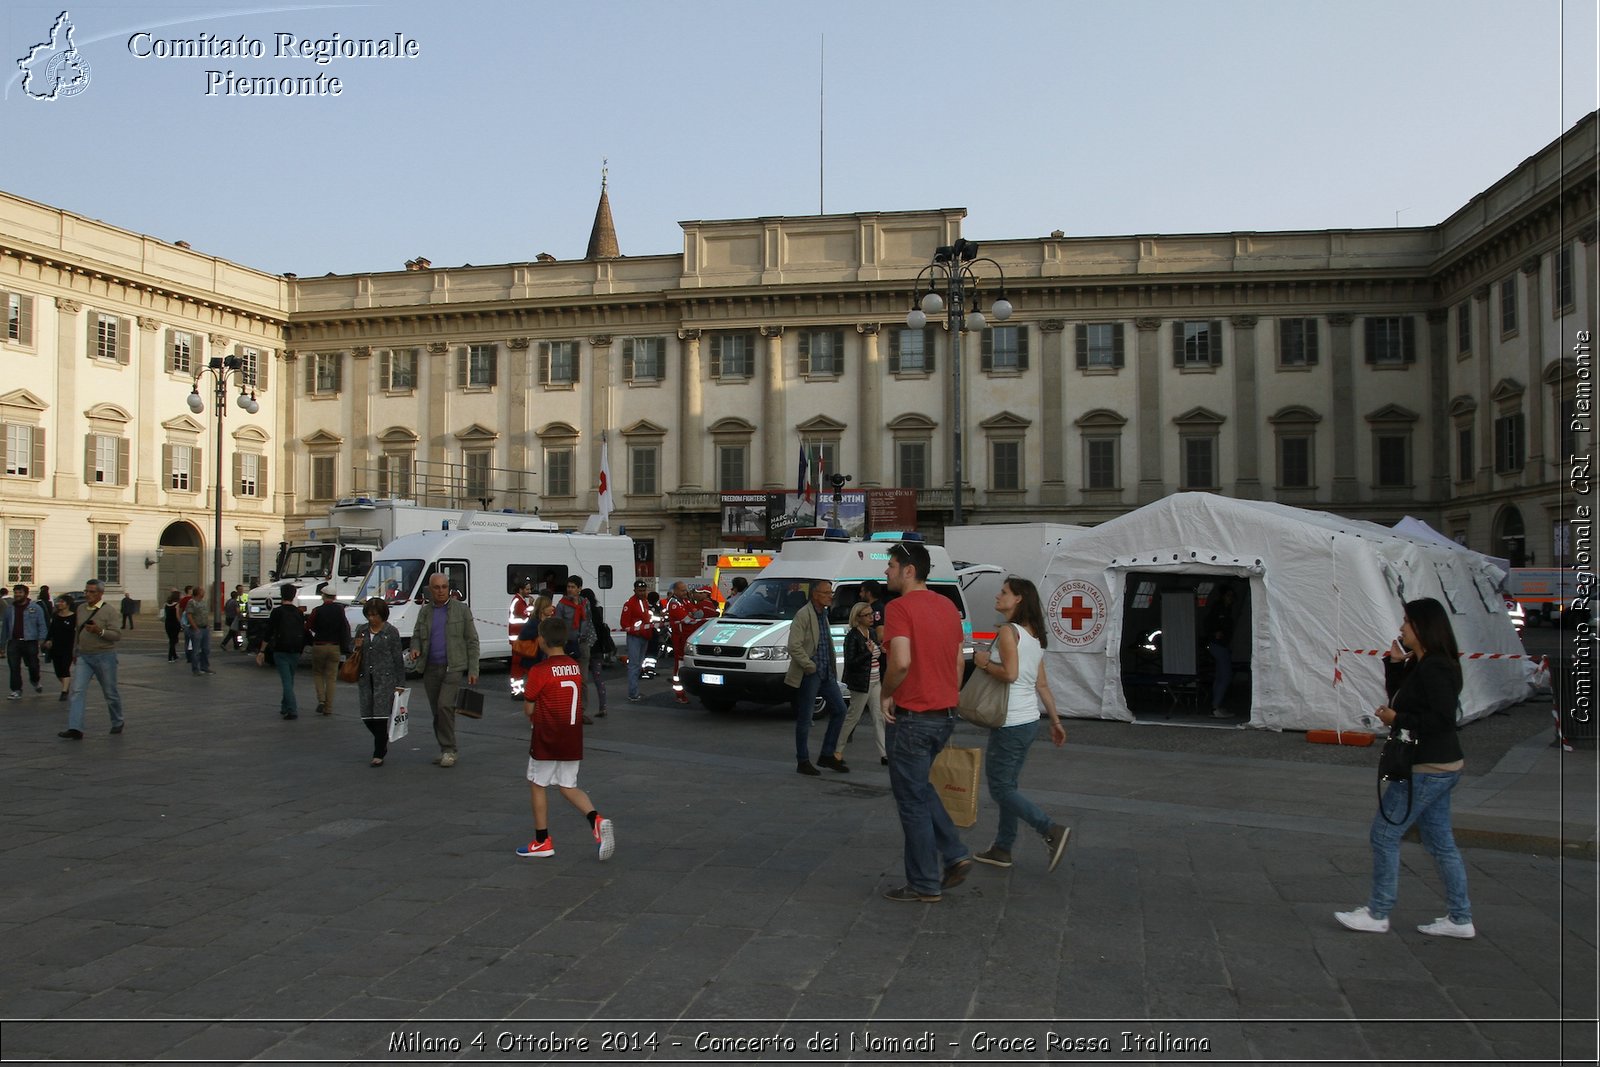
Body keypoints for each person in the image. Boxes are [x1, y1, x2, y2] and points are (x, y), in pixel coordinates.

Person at [1336, 597, 1474, 939]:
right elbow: (1404, 697)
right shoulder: (1423, 663)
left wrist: (1398, 719)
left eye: (1406, 622)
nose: (1401, 628)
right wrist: (1396, 667)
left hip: (1428, 766)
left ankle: (1379, 912)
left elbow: (1442, 719)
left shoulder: (1437, 666)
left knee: (1384, 834)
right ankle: (1460, 918)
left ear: (1422, 627)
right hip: (1439, 766)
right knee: (1440, 843)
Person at [879, 540, 971, 903]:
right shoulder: (947, 606)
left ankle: (924, 883)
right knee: (919, 788)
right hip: (944, 713)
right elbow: (959, 661)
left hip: (913, 717)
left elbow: (900, 662)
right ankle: (955, 853)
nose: (886, 572)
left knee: (912, 802)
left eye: (890, 565)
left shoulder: (899, 608)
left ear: (908, 570)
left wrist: (887, 693)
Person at [970, 576, 1070, 872]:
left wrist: (984, 663)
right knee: (1008, 785)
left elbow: (1010, 674)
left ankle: (1050, 829)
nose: (997, 597)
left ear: (1018, 599)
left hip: (1009, 719)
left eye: (1004, 592)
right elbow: (1042, 684)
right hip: (1027, 720)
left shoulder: (1008, 632)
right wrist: (1055, 720)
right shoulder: (1034, 635)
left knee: (1000, 789)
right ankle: (1002, 847)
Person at [515, 616, 616, 862]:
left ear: (541, 640)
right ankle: (596, 819)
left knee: (538, 784)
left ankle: (542, 840)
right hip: (572, 735)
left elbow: (529, 708)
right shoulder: (573, 666)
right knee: (568, 785)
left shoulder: (540, 671)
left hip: (547, 735)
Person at [409, 572, 480, 768]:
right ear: (430, 590)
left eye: (443, 587)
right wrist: (415, 648)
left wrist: (474, 669)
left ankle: (450, 750)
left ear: (448, 588)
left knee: (444, 706)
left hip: (453, 667)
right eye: (436, 587)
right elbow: (416, 635)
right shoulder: (425, 612)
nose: (440, 591)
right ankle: (444, 748)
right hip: (430, 668)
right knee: (438, 712)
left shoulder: (461, 610)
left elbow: (472, 640)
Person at [786, 579, 850, 776]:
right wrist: (809, 665)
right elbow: (793, 645)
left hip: (826, 673)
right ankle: (803, 760)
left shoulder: (824, 614)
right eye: (826, 592)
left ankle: (827, 754)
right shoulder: (804, 614)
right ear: (815, 594)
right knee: (805, 718)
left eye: (831, 592)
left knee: (840, 710)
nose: (831, 595)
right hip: (811, 673)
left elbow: (824, 642)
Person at [59, 579, 123, 739]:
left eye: (92, 592)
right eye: (86, 591)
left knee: (110, 692)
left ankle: (117, 720)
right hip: (84, 656)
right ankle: (75, 728)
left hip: (105, 656)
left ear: (100, 593)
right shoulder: (80, 608)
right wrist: (75, 650)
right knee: (77, 691)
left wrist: (99, 631)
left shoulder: (109, 611)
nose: (87, 594)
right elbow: (77, 632)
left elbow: (116, 635)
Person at [352, 597, 407, 767]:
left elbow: (398, 658)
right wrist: (357, 646)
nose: (371, 619)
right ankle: (382, 740)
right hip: (365, 678)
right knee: (367, 715)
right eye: (369, 615)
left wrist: (400, 683)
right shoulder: (362, 630)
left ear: (382, 615)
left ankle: (378, 752)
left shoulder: (391, 632)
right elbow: (352, 650)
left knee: (380, 716)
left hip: (385, 679)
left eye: (375, 615)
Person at [835, 601, 886, 769]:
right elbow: (851, 663)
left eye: (872, 614)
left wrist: (880, 649)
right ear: (857, 618)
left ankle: (884, 754)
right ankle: (837, 750)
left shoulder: (871, 633)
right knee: (853, 717)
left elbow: (876, 654)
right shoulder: (853, 636)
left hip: (875, 680)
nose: (872, 617)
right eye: (867, 615)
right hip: (861, 683)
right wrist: (867, 653)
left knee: (878, 717)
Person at [258, 583, 308, 719]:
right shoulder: (299, 612)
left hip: (281, 649)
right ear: (294, 595)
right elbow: (303, 632)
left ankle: (292, 709)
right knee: (290, 679)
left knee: (286, 680)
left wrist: (262, 651)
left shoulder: (277, 612)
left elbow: (268, 633)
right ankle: (284, 706)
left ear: (281, 595)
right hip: (295, 649)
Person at [555, 576, 597, 721]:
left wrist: (590, 641)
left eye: (573, 587)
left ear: (579, 589)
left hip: (583, 643)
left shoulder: (585, 603)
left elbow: (589, 621)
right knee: (566, 679)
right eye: (568, 587)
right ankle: (565, 709)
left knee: (583, 680)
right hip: (568, 644)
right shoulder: (562, 605)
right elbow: (558, 625)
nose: (570, 589)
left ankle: (581, 711)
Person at [307, 583, 352, 716]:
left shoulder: (317, 610)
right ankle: (328, 708)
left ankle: (321, 700)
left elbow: (309, 625)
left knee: (318, 674)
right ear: (335, 597)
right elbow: (344, 627)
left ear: (323, 596)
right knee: (331, 678)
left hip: (319, 645)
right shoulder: (340, 610)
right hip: (334, 646)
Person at [5, 583, 48, 698]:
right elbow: (5, 626)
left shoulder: (35, 608)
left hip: (30, 641)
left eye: (20, 592)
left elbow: (42, 624)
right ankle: (16, 689)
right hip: (14, 641)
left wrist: (42, 639)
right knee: (14, 667)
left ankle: (35, 680)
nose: (17, 595)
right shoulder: (10, 608)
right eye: (16, 593)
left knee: (33, 665)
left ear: (26, 594)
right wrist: (2, 643)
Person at [1205, 585, 1237, 717]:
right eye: (1229, 596)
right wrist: (1214, 633)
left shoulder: (1226, 609)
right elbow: (1208, 623)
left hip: (1222, 645)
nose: (1231, 599)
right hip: (1218, 645)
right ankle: (1215, 707)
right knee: (1225, 676)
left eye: (1232, 597)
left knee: (1220, 676)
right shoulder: (1218, 608)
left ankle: (1216, 705)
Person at [619, 579, 653, 702]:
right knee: (634, 665)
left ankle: (635, 690)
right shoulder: (629, 604)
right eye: (640, 591)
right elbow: (624, 623)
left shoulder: (645, 602)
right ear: (635, 590)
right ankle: (633, 693)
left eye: (644, 590)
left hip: (644, 636)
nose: (642, 593)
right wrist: (637, 631)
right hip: (635, 637)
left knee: (638, 665)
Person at [581, 587, 611, 717]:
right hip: (597, 649)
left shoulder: (583, 611)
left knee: (582, 680)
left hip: (585, 648)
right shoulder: (597, 611)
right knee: (598, 679)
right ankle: (603, 706)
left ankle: (581, 709)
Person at [665, 581, 695, 704]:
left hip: (686, 637)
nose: (685, 592)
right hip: (679, 638)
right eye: (682, 590)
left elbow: (696, 612)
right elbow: (687, 619)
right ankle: (679, 694)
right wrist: (691, 615)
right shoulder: (674, 603)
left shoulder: (685, 601)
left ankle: (683, 691)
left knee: (684, 664)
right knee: (679, 666)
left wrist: (691, 615)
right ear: (676, 591)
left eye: (685, 590)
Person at [42, 595, 76, 702]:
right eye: (58, 602)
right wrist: (47, 640)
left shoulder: (74, 617)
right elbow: (51, 630)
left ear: (68, 604)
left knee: (65, 668)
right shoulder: (56, 616)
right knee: (58, 671)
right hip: (56, 647)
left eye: (62, 602)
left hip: (68, 647)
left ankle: (64, 691)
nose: (59, 604)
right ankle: (66, 685)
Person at [183, 584, 213, 675]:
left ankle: (205, 666)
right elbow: (189, 615)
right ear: (198, 593)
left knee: (206, 649)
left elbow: (205, 614)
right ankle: (195, 669)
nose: (204, 592)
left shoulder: (203, 602)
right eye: (202, 591)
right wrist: (195, 627)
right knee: (196, 650)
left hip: (204, 628)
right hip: (197, 629)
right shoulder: (192, 602)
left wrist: (207, 625)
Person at [162, 589, 183, 662]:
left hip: (167, 623)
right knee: (173, 640)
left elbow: (165, 614)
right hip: (175, 624)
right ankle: (170, 657)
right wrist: (181, 623)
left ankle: (174, 655)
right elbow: (177, 615)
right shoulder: (177, 604)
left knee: (171, 639)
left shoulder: (166, 604)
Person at [223, 586, 245, 651]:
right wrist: (241, 616)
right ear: (236, 596)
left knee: (234, 632)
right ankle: (224, 643)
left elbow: (225, 609)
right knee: (234, 632)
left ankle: (236, 645)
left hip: (228, 618)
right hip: (234, 619)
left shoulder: (228, 601)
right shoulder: (235, 602)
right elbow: (237, 611)